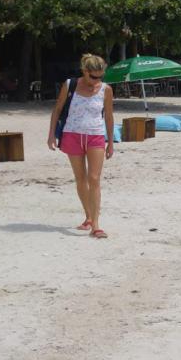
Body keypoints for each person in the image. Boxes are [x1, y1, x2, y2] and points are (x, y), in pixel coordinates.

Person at [47, 54, 116, 238]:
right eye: (93, 76)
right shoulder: (70, 85)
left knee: (94, 178)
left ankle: (96, 225)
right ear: (84, 71)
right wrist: (51, 135)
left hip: (95, 136)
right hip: (72, 135)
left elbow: (109, 116)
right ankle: (88, 216)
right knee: (80, 179)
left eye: (100, 76)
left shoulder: (106, 90)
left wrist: (110, 143)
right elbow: (57, 110)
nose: (97, 80)